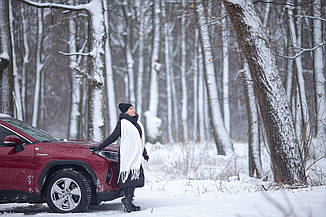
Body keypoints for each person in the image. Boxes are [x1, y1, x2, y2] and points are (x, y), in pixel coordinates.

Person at [91, 103, 149, 212]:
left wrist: (144, 153)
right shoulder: (123, 123)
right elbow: (113, 137)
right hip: (127, 155)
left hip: (136, 156)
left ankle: (129, 201)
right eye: (130, 109)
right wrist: (100, 147)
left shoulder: (138, 124)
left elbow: (140, 141)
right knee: (129, 178)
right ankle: (127, 201)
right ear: (125, 112)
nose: (133, 110)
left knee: (135, 179)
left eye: (133, 108)